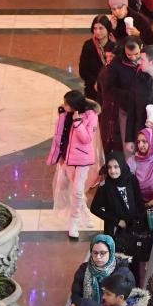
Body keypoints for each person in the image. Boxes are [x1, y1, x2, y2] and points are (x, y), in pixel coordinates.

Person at [47, 90, 99, 241]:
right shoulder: (65, 114)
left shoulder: (91, 116)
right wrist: (58, 155)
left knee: (76, 191)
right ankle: (83, 211)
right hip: (67, 159)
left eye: (67, 103)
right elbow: (60, 137)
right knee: (71, 188)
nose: (64, 105)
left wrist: (78, 123)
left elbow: (86, 139)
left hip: (82, 160)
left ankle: (74, 222)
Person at [90, 152, 147, 239]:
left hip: (133, 227)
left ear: (122, 165)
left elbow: (139, 201)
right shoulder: (105, 185)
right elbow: (94, 208)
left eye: (116, 167)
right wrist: (117, 221)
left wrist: (140, 220)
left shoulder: (131, 179)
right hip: (114, 231)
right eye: (109, 167)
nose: (112, 171)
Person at [71, 233, 135, 302]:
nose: (98, 257)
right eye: (95, 253)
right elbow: (76, 295)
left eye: (102, 253)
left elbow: (127, 301)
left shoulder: (123, 273)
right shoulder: (84, 269)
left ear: (111, 253)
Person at [79, 15, 115, 100]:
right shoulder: (88, 45)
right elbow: (83, 70)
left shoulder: (115, 45)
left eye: (101, 28)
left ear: (107, 28)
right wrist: (96, 82)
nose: (97, 32)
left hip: (111, 87)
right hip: (93, 87)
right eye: (95, 28)